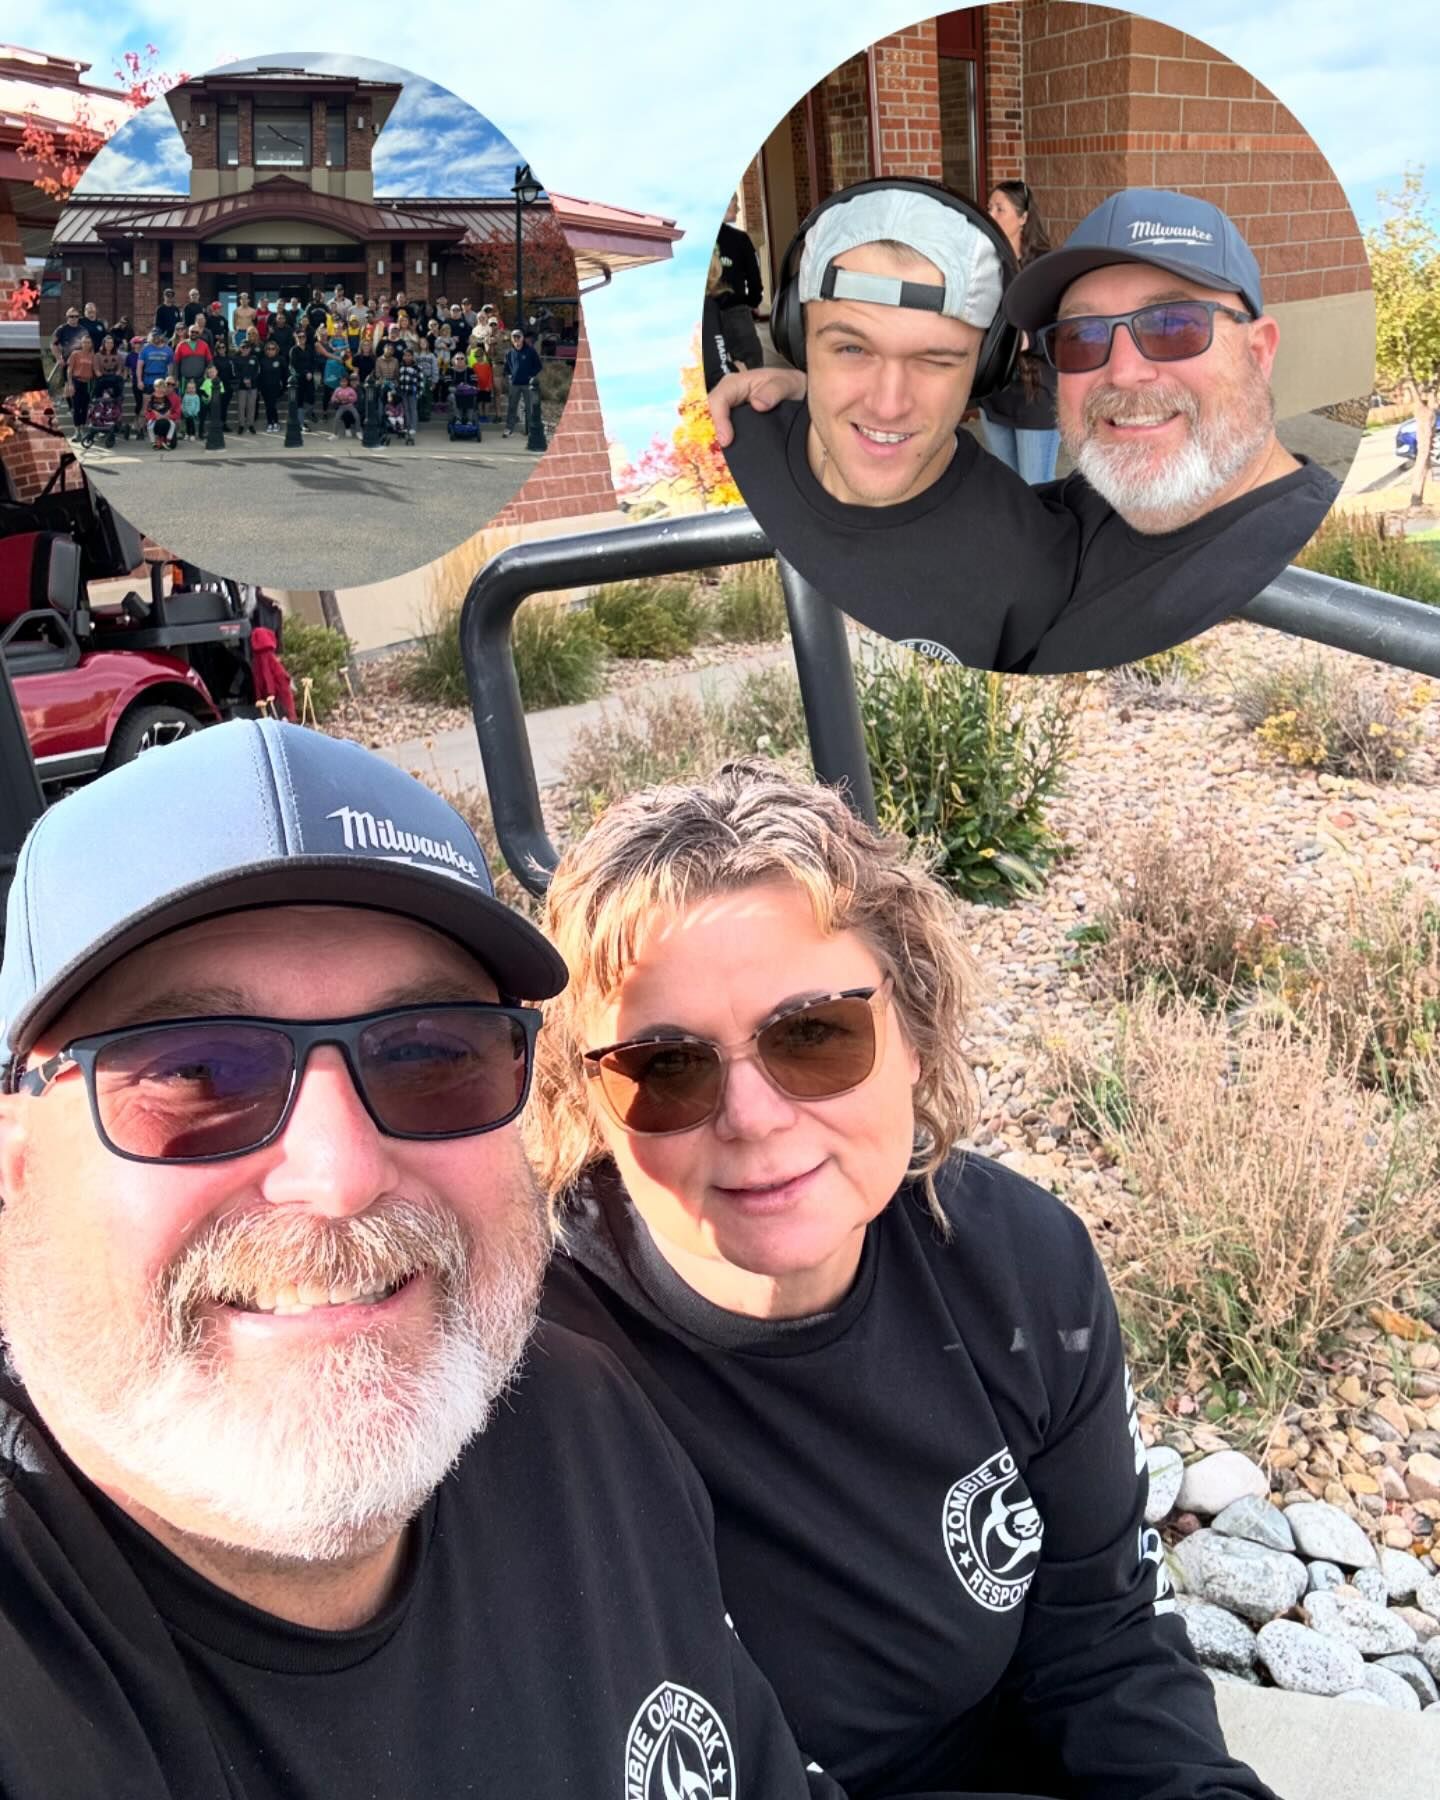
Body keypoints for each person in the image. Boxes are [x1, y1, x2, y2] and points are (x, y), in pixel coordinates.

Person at [0, 721, 847, 1800]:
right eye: (196, 1073)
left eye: (428, 1054)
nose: (340, 1174)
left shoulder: (579, 1423)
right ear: (15, 1160)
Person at [534, 761, 1279, 1800]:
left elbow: (1096, 1643)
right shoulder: (523, 1365)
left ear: (915, 1039)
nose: (753, 1119)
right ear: (592, 1106)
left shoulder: (1020, 1276)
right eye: (666, 1066)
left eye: (812, 1035)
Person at [713, 181, 1341, 675]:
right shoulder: (1084, 511)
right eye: (1082, 336)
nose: (1124, 373)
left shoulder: (1317, 585)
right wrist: (822, 396)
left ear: (1260, 351)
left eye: (1174, 326)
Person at [978, 180, 1059, 484]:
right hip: (995, 393)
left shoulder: (1045, 265)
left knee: (1035, 488)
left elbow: (1063, 327)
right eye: (989, 208)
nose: (991, 215)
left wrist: (1030, 339)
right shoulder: (986, 263)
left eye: (1000, 209)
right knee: (1007, 486)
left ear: (1023, 217)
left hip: (1035, 393)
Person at [504, 327, 542, 437]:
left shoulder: (530, 351)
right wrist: (510, 376)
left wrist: (531, 376)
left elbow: (538, 366)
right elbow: (507, 368)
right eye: (514, 337)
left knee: (529, 408)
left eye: (518, 337)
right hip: (514, 384)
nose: (516, 339)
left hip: (527, 384)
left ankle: (530, 430)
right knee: (512, 407)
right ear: (511, 339)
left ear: (522, 338)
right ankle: (509, 429)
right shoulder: (509, 353)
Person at [257, 337, 287, 432]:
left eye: (273, 349)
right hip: (265, 387)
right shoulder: (262, 360)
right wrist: (260, 387)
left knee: (273, 405)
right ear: (266, 350)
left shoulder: (281, 359)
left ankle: (276, 423)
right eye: (268, 349)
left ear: (276, 350)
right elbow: (259, 375)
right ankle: (270, 423)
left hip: (276, 387)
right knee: (268, 406)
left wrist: (284, 387)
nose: (270, 351)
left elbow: (285, 374)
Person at [144, 376, 180, 449]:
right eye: (168, 384)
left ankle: (166, 440)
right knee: (160, 422)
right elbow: (147, 412)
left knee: (172, 446)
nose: (170, 386)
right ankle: (158, 440)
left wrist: (168, 416)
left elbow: (177, 414)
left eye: (172, 385)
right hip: (157, 422)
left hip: (168, 422)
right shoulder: (154, 396)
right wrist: (155, 416)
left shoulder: (176, 398)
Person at [233, 339, 260, 434]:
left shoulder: (254, 358)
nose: (245, 349)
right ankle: (241, 425)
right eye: (243, 347)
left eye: (247, 347)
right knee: (241, 406)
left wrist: (250, 379)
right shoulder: (236, 358)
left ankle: (251, 424)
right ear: (240, 348)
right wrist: (243, 379)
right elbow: (235, 372)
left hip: (253, 385)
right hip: (241, 386)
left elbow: (257, 371)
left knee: (251, 406)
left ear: (250, 348)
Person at [396, 348, 421, 444]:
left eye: (409, 355)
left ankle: (413, 427)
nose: (407, 357)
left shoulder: (417, 367)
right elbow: (399, 379)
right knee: (405, 409)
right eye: (405, 355)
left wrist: (419, 392)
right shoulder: (401, 366)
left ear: (412, 357)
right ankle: (408, 426)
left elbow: (420, 381)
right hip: (403, 391)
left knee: (413, 409)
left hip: (413, 392)